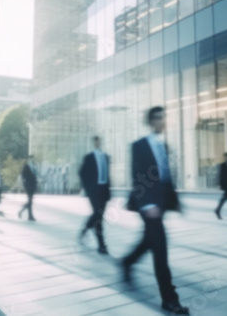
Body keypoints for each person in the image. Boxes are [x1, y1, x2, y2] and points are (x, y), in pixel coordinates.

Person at [121, 107, 190, 315]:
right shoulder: (139, 146)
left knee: (149, 241)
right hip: (148, 205)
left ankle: (127, 261)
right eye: (159, 118)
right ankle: (169, 300)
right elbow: (137, 177)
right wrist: (148, 204)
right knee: (160, 249)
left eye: (164, 117)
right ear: (151, 121)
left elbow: (166, 177)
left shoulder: (164, 146)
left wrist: (176, 202)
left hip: (161, 204)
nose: (163, 121)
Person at [80, 137, 111, 253]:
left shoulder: (105, 157)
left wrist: (108, 191)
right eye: (95, 142)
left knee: (99, 216)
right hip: (94, 191)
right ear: (93, 143)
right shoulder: (89, 158)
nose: (97, 143)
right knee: (98, 216)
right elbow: (82, 173)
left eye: (99, 141)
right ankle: (101, 245)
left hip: (104, 191)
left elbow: (107, 175)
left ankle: (85, 229)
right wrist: (88, 189)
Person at [18, 155, 38, 221]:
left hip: (33, 186)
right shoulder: (26, 166)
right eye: (31, 159)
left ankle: (22, 211)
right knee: (30, 201)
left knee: (30, 201)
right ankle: (30, 216)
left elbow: (35, 176)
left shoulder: (34, 167)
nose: (32, 160)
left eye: (33, 158)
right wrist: (25, 185)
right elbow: (23, 176)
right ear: (28, 159)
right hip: (28, 186)